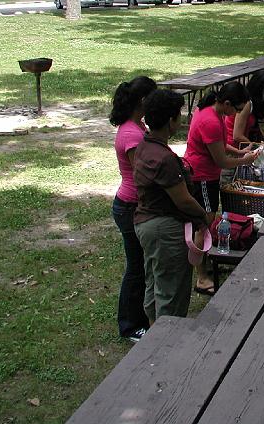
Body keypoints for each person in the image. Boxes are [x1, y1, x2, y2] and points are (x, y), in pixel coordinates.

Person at [133, 89, 211, 323]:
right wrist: (203, 217)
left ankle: (153, 329)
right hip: (164, 229)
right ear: (170, 121)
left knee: (155, 281)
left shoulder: (145, 145)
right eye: (179, 115)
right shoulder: (164, 158)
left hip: (146, 224)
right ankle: (166, 337)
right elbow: (183, 200)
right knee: (171, 290)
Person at [183, 82, 259, 294]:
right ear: (226, 103)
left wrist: (239, 152)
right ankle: (202, 278)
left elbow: (218, 144)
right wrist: (244, 160)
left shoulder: (210, 111)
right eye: (237, 109)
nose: (237, 114)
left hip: (205, 175)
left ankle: (206, 265)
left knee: (205, 223)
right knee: (203, 225)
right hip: (202, 177)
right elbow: (221, 161)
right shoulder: (210, 121)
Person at [109, 75, 157, 342]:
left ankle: (140, 318)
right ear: (142, 101)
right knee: (136, 268)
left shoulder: (137, 125)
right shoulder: (131, 133)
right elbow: (142, 174)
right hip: (129, 206)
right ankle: (130, 325)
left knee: (141, 265)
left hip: (133, 205)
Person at [225, 69, 264, 147]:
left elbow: (255, 125)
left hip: (241, 146)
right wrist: (256, 146)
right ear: (257, 90)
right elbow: (237, 136)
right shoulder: (247, 103)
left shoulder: (254, 104)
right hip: (233, 147)